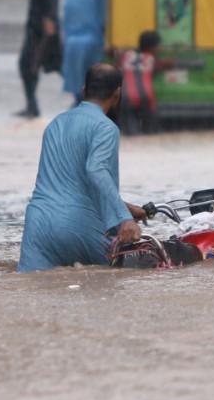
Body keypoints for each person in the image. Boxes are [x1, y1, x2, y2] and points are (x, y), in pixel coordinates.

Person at [18, 63, 148, 272]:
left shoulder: (55, 124)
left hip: (38, 224)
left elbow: (69, 182)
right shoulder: (105, 128)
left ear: (84, 90)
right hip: (78, 226)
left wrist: (123, 206)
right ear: (117, 94)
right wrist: (124, 219)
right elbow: (96, 170)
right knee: (121, 278)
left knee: (35, 290)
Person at [16, 0, 60, 118]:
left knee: (32, 65)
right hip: (36, 27)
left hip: (41, 30)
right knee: (30, 66)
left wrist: (49, 21)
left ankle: (32, 106)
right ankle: (32, 105)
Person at [60, 0, 108, 105]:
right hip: (93, 43)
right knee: (95, 91)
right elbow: (106, 18)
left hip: (72, 45)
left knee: (79, 92)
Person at [119, 30, 162, 134]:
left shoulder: (127, 55)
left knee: (131, 131)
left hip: (126, 96)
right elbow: (160, 66)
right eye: (158, 46)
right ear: (152, 47)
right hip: (146, 96)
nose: (159, 49)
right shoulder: (152, 59)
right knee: (150, 130)